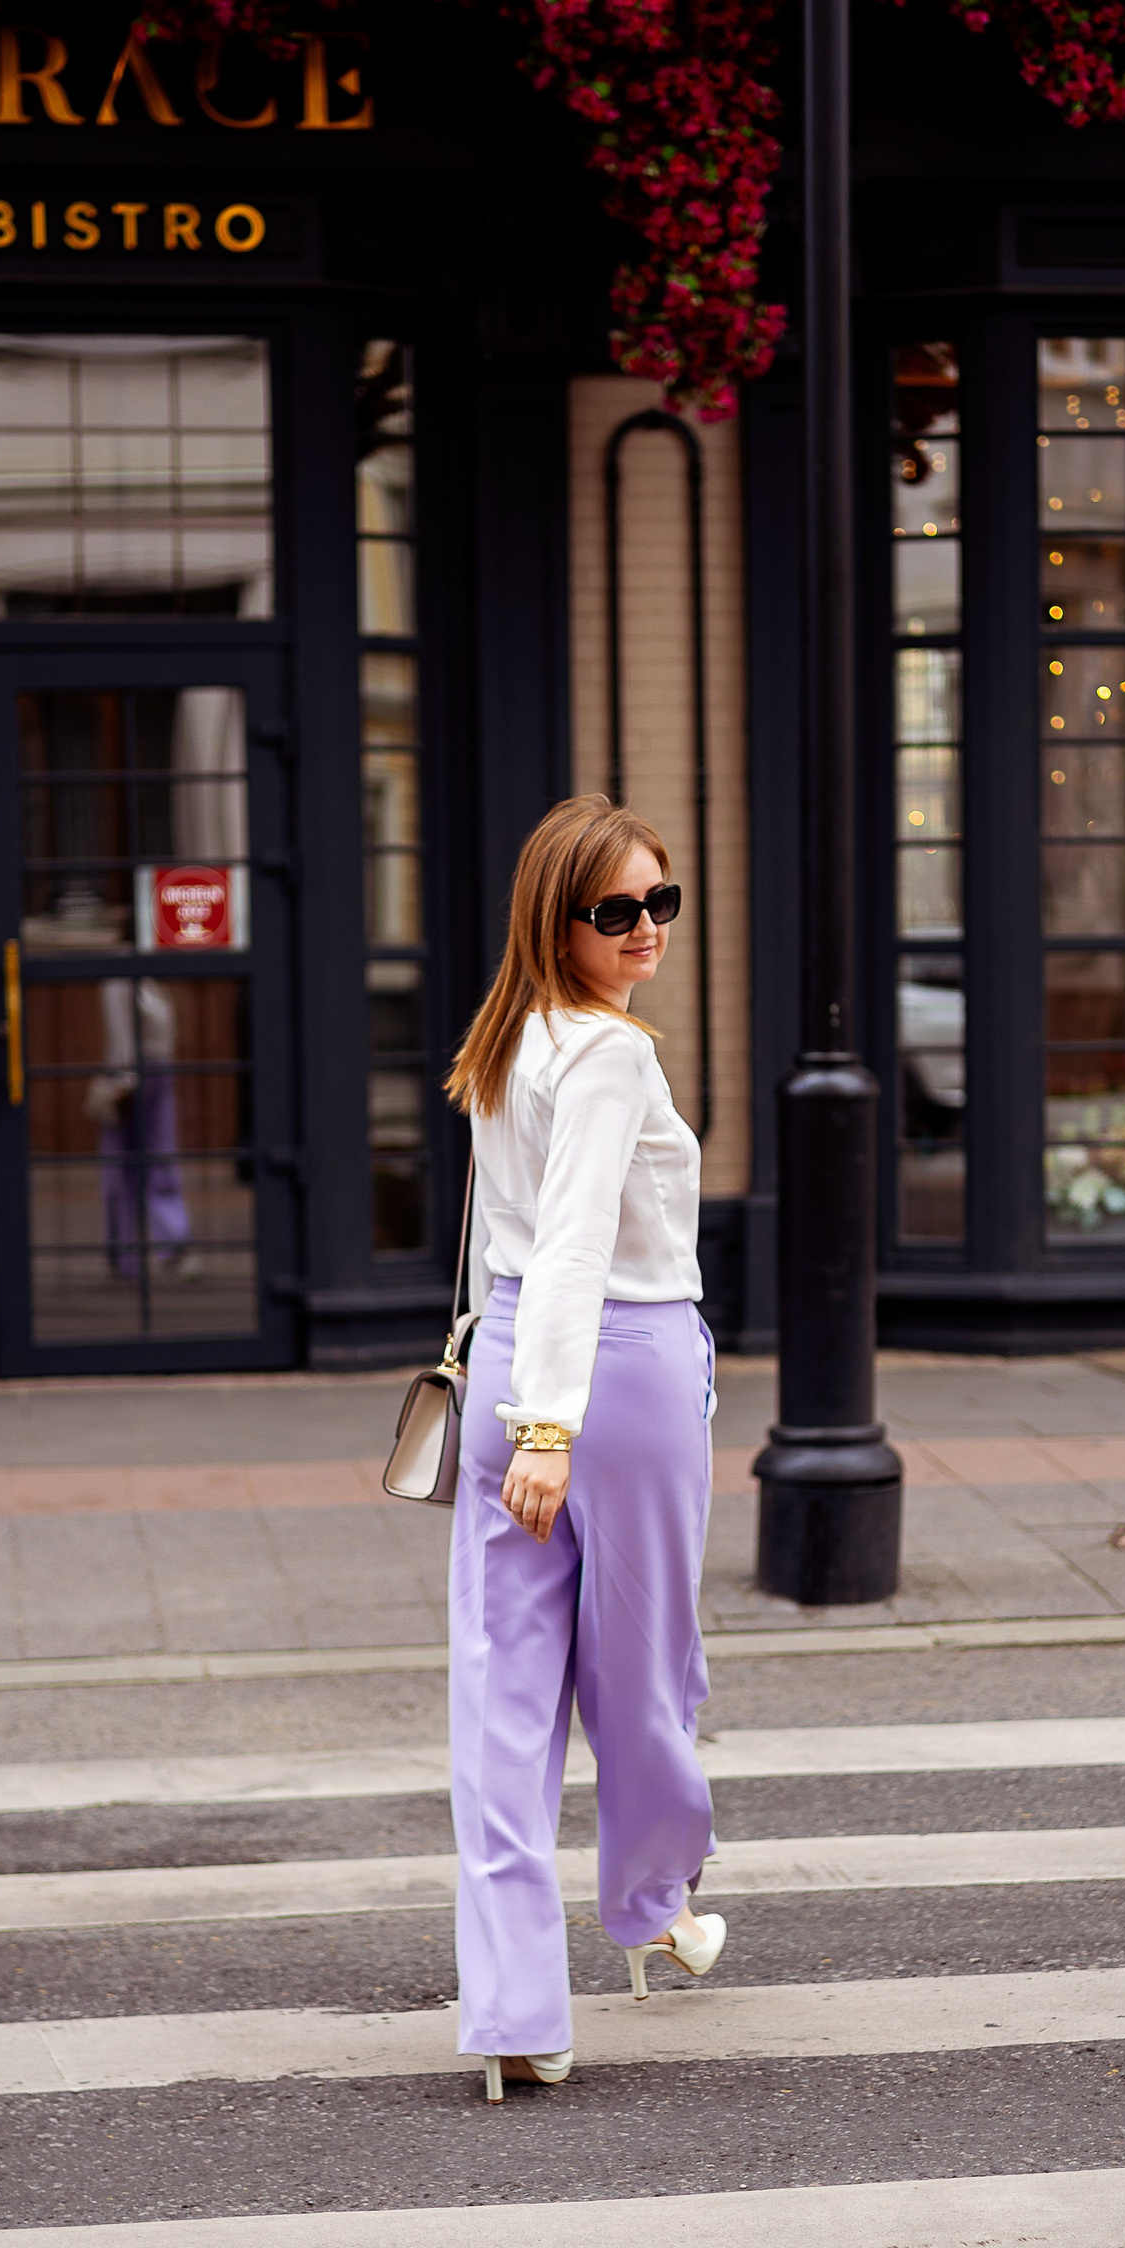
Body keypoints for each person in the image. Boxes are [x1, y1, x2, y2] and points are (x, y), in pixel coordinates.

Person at [444, 794, 727, 2101]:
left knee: (502, 1698)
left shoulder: (507, 1037)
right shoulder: (607, 1053)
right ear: (556, 919)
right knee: (644, 1673)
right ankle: (657, 1899)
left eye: (660, 900)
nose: (646, 928)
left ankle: (514, 2011)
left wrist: (519, 1406)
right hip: (616, 1373)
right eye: (617, 910)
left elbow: (513, 1246)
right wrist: (549, 1432)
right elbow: (573, 1242)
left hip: (513, 1355)